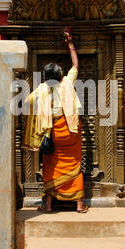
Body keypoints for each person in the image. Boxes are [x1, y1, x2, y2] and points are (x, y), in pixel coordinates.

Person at [23, 31, 88, 213]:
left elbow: (26, 102)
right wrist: (70, 44)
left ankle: (49, 205)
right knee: (74, 164)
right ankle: (79, 205)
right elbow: (75, 64)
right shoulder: (67, 82)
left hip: (53, 134)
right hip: (71, 130)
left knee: (51, 166)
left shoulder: (42, 88)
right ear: (60, 75)